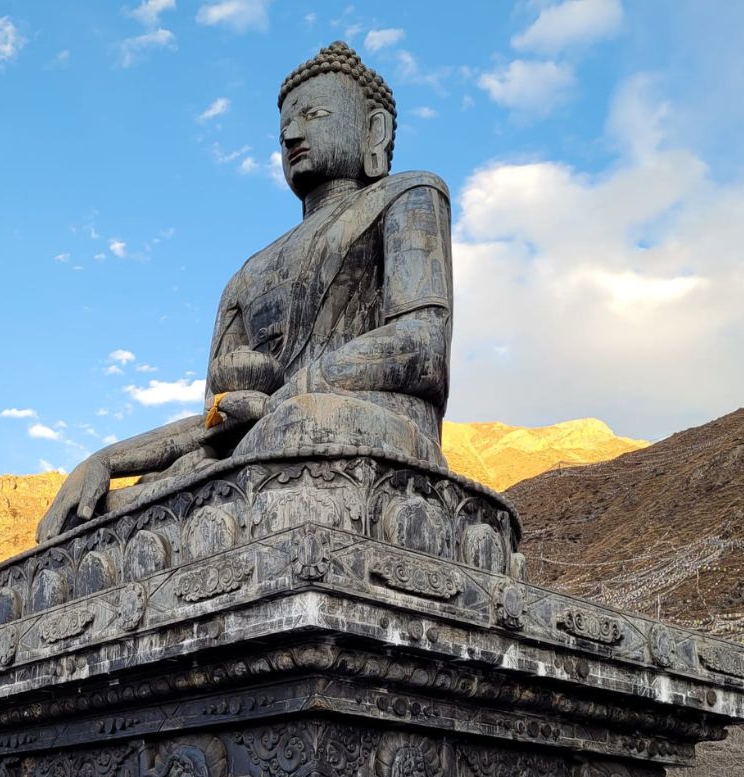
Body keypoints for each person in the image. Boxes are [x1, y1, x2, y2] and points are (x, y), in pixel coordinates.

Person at [37, 40, 452, 543]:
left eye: (315, 115)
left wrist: (281, 398)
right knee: (113, 506)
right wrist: (106, 459)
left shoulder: (410, 194)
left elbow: (423, 344)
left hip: (369, 426)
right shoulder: (248, 273)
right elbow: (219, 419)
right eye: (284, 130)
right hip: (258, 446)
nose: (293, 135)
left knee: (300, 422)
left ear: (374, 130)